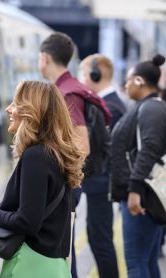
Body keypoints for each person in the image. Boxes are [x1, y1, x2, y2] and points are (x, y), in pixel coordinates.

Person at [0, 81, 85, 277]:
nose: (8, 109)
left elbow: (27, 222)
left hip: (31, 265)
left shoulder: (36, 156)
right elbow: (36, 211)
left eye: (15, 103)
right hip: (52, 265)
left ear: (31, 111)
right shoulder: (53, 154)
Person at [38, 32, 111, 277]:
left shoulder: (66, 94)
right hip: (69, 185)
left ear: (45, 58)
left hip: (65, 186)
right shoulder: (68, 88)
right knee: (63, 251)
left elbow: (82, 145)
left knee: (64, 254)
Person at [110, 54, 166, 278]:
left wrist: (134, 190)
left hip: (142, 196)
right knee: (146, 260)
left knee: (136, 261)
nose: (125, 85)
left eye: (128, 80)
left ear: (139, 81)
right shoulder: (147, 106)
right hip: (144, 194)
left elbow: (149, 149)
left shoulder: (152, 109)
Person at [79, 54, 125, 278]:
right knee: (97, 237)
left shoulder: (111, 107)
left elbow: (108, 151)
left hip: (103, 183)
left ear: (94, 75)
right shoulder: (111, 104)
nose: (82, 79)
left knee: (101, 239)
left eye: (84, 74)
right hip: (101, 183)